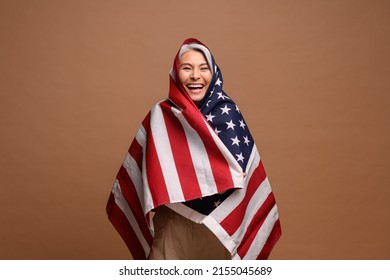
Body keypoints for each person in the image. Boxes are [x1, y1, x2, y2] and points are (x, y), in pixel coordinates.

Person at [106, 38, 281, 260]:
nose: (195, 75)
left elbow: (240, 174)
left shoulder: (228, 114)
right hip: (172, 225)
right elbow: (143, 174)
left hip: (218, 230)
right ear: (175, 73)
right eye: (186, 68)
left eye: (203, 68)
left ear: (214, 73)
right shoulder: (160, 115)